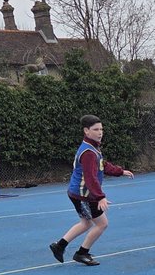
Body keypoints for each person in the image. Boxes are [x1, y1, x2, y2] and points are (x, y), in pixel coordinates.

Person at [49, 114, 133, 266]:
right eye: (96, 129)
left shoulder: (93, 148)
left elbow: (102, 164)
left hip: (79, 193)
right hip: (84, 195)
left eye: (101, 129)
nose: (100, 132)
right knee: (102, 224)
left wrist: (120, 171)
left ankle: (59, 246)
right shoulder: (88, 152)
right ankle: (82, 253)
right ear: (86, 131)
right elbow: (90, 177)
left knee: (86, 223)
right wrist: (100, 197)